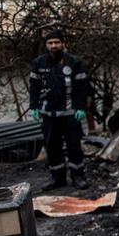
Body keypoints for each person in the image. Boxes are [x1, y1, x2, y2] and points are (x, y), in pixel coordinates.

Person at [29, 28, 89, 191]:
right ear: (46, 45)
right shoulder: (39, 63)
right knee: (52, 147)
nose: (53, 46)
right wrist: (33, 106)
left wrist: (81, 108)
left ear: (63, 44)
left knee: (74, 146)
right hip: (48, 114)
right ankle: (58, 178)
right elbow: (34, 87)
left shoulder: (74, 62)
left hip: (70, 114)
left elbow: (81, 88)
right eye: (50, 43)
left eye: (56, 42)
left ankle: (78, 176)